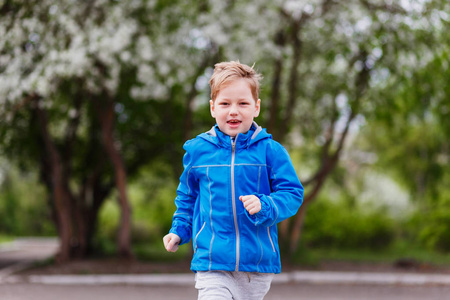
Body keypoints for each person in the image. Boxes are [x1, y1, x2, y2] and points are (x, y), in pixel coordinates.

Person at [163, 61, 303, 300]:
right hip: (212, 262)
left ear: (256, 107)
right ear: (212, 108)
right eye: (225, 103)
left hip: (256, 266)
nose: (234, 111)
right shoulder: (198, 151)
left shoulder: (271, 151)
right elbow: (188, 196)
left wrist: (265, 205)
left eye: (243, 103)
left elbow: (292, 193)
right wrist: (179, 230)